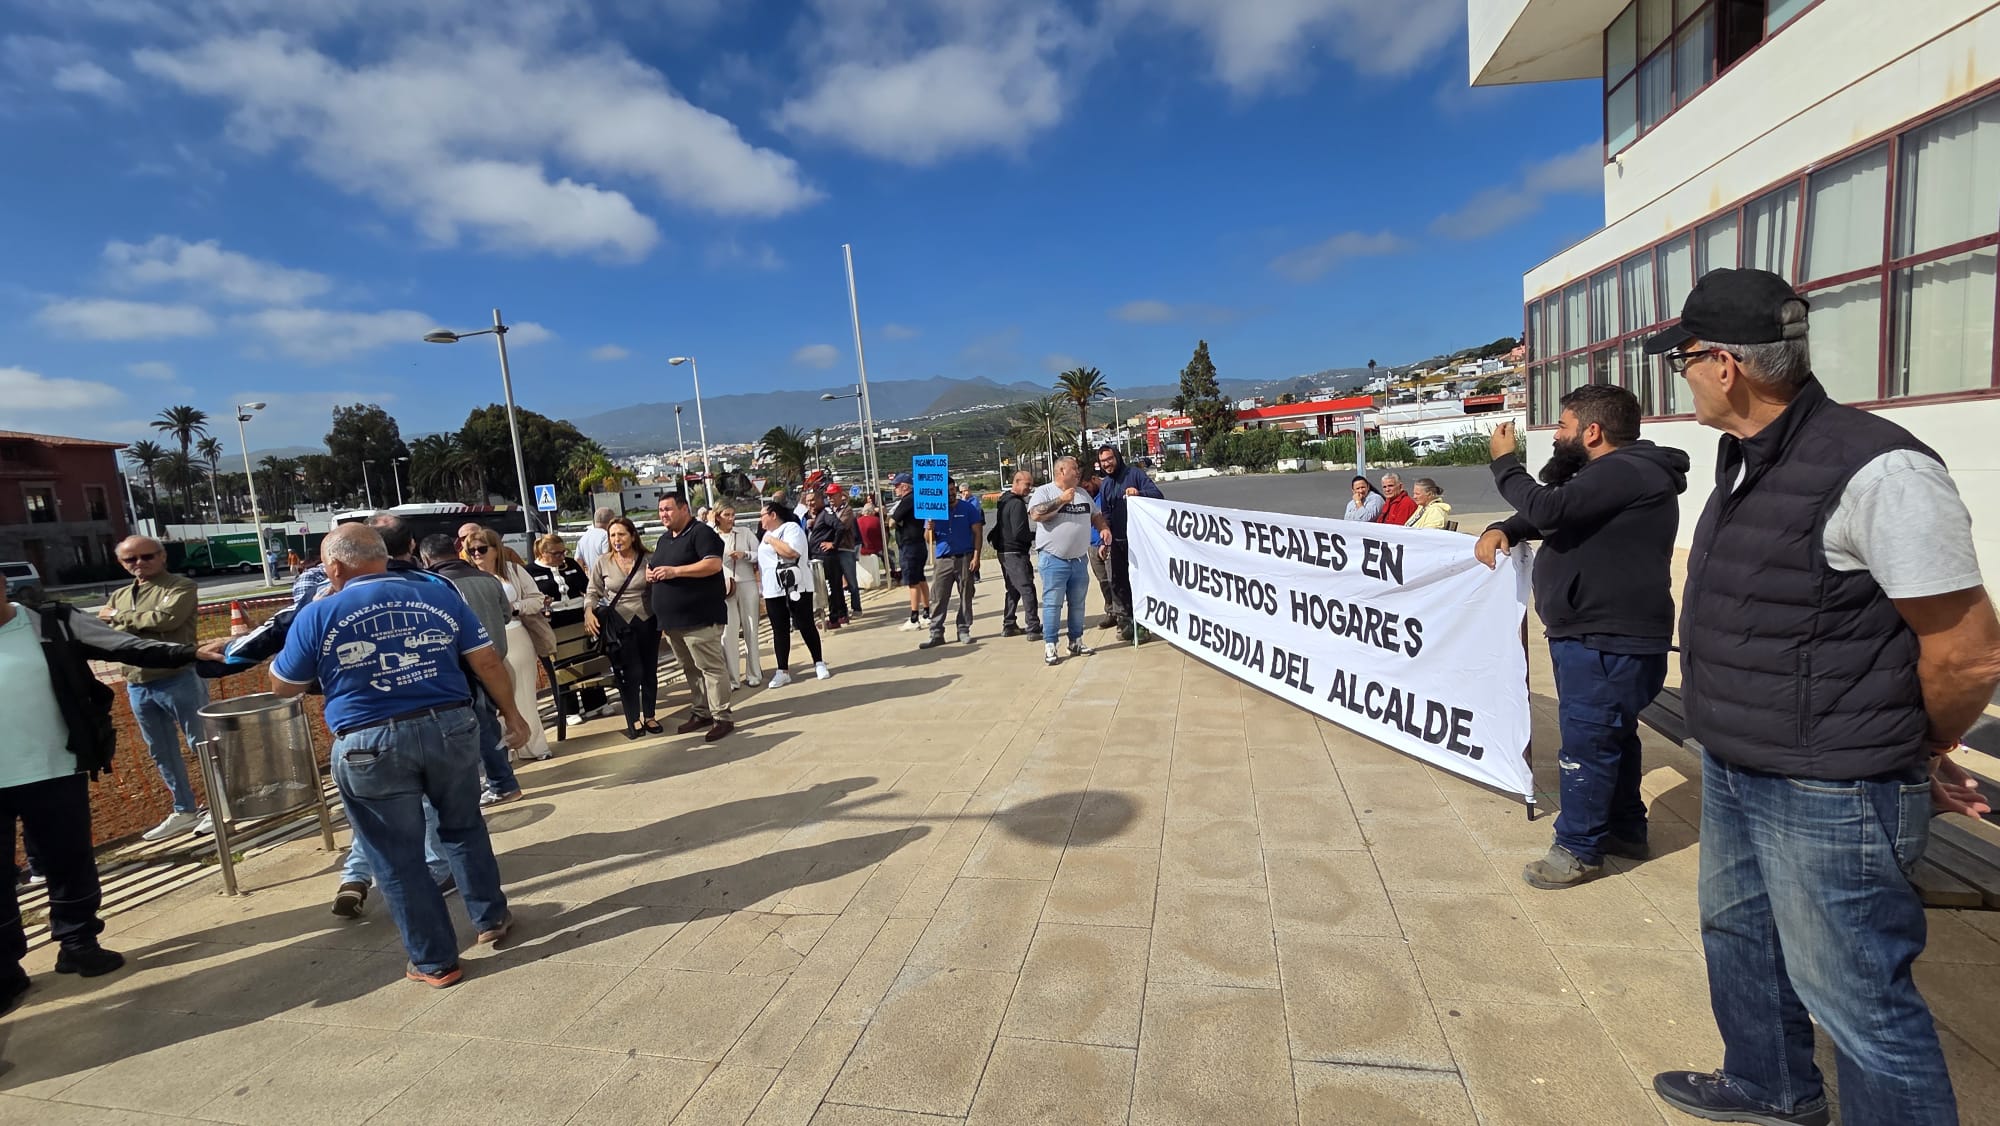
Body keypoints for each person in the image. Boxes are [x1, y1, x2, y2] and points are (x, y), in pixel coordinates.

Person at [1640, 268, 1998, 1126]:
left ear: (1724, 365)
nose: (1680, 376)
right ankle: (1769, 1085)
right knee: (1740, 938)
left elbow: (1969, 653)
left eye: (1682, 359)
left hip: (1828, 787)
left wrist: (1924, 749)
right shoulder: (1746, 457)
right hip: (1736, 759)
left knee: (1858, 1001)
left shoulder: (1880, 470)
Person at [265, 525, 525, 988]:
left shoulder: (319, 612)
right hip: (450, 725)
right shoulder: (438, 596)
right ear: (384, 558)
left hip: (368, 742)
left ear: (335, 566)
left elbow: (284, 686)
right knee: (463, 826)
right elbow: (486, 662)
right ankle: (491, 919)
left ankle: (435, 961)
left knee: (397, 856)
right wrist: (514, 717)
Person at [1475, 385, 1689, 890]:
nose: (1558, 435)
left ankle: (1577, 847)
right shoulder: (1616, 474)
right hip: (1601, 633)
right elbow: (1555, 509)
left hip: (1607, 637)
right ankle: (1623, 829)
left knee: (1588, 741)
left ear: (1593, 432)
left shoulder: (1625, 470)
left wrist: (1504, 464)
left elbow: (1551, 510)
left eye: (1565, 426)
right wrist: (1506, 525)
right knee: (1612, 734)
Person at [2, 568, 197, 1009]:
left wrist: (191, 652)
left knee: (69, 860)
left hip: (54, 767)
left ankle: (78, 943)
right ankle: (4, 969)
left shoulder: (49, 622)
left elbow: (128, 646)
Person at [99, 536, 212, 841]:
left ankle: (221, 804)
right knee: (161, 751)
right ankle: (184, 810)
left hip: (179, 676)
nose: (139, 564)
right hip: (137, 683)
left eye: (146, 557)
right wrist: (138, 621)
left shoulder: (180, 586)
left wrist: (120, 619)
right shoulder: (121, 594)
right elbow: (107, 627)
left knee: (202, 744)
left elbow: (167, 619)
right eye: (130, 560)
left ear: (162, 556)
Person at [420, 535, 523, 806]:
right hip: (495, 660)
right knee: (488, 724)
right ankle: (501, 781)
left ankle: (501, 783)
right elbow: (506, 616)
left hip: (463, 667)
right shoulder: (489, 580)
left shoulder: (434, 586)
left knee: (481, 730)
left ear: (427, 559)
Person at [647, 494, 734, 742]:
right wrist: (652, 574)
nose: (663, 514)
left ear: (684, 509)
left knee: (710, 668)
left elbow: (713, 565)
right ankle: (701, 711)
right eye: (660, 510)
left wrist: (675, 571)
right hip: (673, 622)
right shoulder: (665, 539)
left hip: (700, 618)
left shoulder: (701, 534)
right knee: (691, 669)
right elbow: (658, 566)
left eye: (668, 509)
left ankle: (722, 716)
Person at [464, 528, 553, 763]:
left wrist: (515, 607)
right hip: (482, 642)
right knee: (491, 700)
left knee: (523, 695)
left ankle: (533, 746)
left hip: (514, 633)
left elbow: (537, 599)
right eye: (471, 550)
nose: (476, 554)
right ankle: (502, 751)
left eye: (482, 549)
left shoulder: (514, 570)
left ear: (495, 550)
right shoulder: (467, 577)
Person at [1030, 457, 1115, 666]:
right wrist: (1061, 501)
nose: (1078, 472)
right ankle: (1050, 644)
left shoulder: (1083, 494)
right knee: (1053, 603)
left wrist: (1103, 528)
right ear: (1061, 471)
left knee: (1077, 603)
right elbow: (1035, 514)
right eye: (1074, 469)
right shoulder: (1045, 491)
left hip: (1078, 560)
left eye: (1078, 468)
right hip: (1053, 559)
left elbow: (1095, 515)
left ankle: (1076, 641)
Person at [585, 517, 659, 740]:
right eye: (612, 535)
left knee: (649, 671)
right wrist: (589, 611)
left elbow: (661, 586)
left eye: (621, 534)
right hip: (619, 623)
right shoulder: (603, 562)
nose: (617, 540)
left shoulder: (648, 559)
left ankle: (650, 715)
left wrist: (655, 580)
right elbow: (592, 591)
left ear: (633, 536)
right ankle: (633, 718)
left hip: (647, 619)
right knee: (630, 672)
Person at [526, 533, 609, 723]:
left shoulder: (570, 564)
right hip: (552, 623)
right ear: (542, 553)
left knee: (587, 658)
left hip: (577, 619)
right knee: (560, 666)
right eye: (556, 554)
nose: (561, 557)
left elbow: (588, 588)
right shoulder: (530, 571)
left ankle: (596, 703)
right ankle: (569, 709)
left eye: (564, 552)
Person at [757, 500, 831, 687]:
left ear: (773, 515)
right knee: (779, 629)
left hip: (796, 585)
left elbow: (792, 552)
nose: (760, 519)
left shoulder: (791, 528)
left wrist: (771, 540)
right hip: (773, 588)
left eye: (762, 515)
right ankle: (782, 670)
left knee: (805, 623)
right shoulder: (766, 534)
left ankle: (819, 662)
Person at [1093, 445, 1163, 634]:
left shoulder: (1135, 474)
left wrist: (1139, 494)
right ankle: (1128, 622)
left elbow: (1158, 496)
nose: (1107, 464)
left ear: (1117, 457)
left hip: (1139, 543)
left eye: (1109, 459)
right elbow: (1105, 515)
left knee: (1141, 582)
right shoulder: (1106, 484)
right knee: (1119, 583)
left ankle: (1146, 623)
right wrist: (1103, 541)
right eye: (1103, 461)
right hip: (1117, 544)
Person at [919, 478, 984, 650]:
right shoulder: (934, 512)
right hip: (943, 560)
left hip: (965, 557)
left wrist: (976, 556)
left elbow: (978, 533)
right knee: (939, 596)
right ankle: (936, 632)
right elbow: (928, 539)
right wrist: (929, 528)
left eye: (952, 489)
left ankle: (963, 629)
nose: (951, 493)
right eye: (946, 491)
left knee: (966, 594)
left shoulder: (968, 508)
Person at [714, 505, 764, 688]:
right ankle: (733, 678)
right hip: (725, 587)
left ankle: (754, 673)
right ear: (717, 516)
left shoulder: (743, 532)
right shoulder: (712, 535)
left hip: (747, 582)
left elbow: (760, 554)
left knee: (751, 628)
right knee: (728, 633)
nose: (730, 518)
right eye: (726, 515)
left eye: (733, 514)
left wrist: (745, 554)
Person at [994, 469, 1040, 640]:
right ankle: (1033, 627)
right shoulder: (1017, 504)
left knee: (1013, 589)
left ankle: (1009, 623)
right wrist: (1038, 535)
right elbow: (1020, 532)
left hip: (1004, 551)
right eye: (1027, 484)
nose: (1030, 488)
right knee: (1027, 588)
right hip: (1014, 552)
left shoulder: (1004, 500)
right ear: (1017, 482)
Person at [889, 474, 932, 630]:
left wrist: (894, 521)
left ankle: (914, 618)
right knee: (920, 579)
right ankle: (927, 613)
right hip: (919, 543)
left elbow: (892, 522)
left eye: (896, 485)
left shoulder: (907, 500)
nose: (894, 489)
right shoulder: (918, 498)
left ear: (905, 486)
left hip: (909, 545)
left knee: (912, 581)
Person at [804, 489, 848, 630]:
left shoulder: (826, 513)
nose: (810, 503)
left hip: (827, 557)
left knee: (832, 588)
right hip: (819, 556)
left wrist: (833, 544)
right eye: (808, 501)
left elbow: (840, 527)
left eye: (812, 500)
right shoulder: (819, 516)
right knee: (833, 588)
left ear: (819, 500)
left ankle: (835, 617)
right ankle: (840, 614)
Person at [830, 486, 863, 619]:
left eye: (833, 495)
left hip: (846, 549)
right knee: (836, 582)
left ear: (840, 495)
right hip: (834, 550)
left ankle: (857, 608)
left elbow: (841, 526)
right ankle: (841, 609)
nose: (830, 499)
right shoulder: (830, 510)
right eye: (828, 496)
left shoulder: (847, 510)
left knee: (851, 581)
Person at [575, 507, 615, 575]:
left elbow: (578, 561)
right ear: (611, 521)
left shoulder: (584, 537)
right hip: (606, 577)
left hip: (592, 579)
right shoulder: (606, 536)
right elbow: (608, 558)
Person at [856, 499, 885, 589]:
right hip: (875, 549)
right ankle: (892, 573)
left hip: (860, 550)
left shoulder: (857, 521)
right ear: (872, 511)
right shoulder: (876, 520)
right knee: (889, 555)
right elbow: (883, 536)